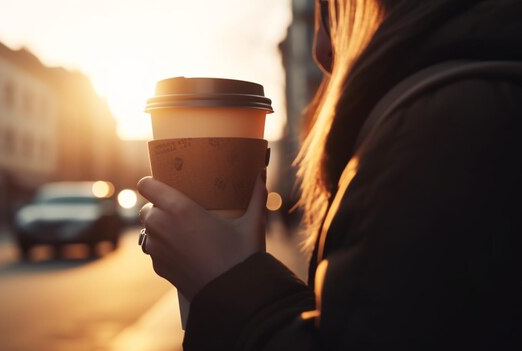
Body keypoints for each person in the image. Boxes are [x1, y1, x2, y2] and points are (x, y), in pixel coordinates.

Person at [137, 0, 522, 349]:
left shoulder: (443, 126)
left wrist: (224, 283)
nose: (321, 49)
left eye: (330, 8)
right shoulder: (468, 101)